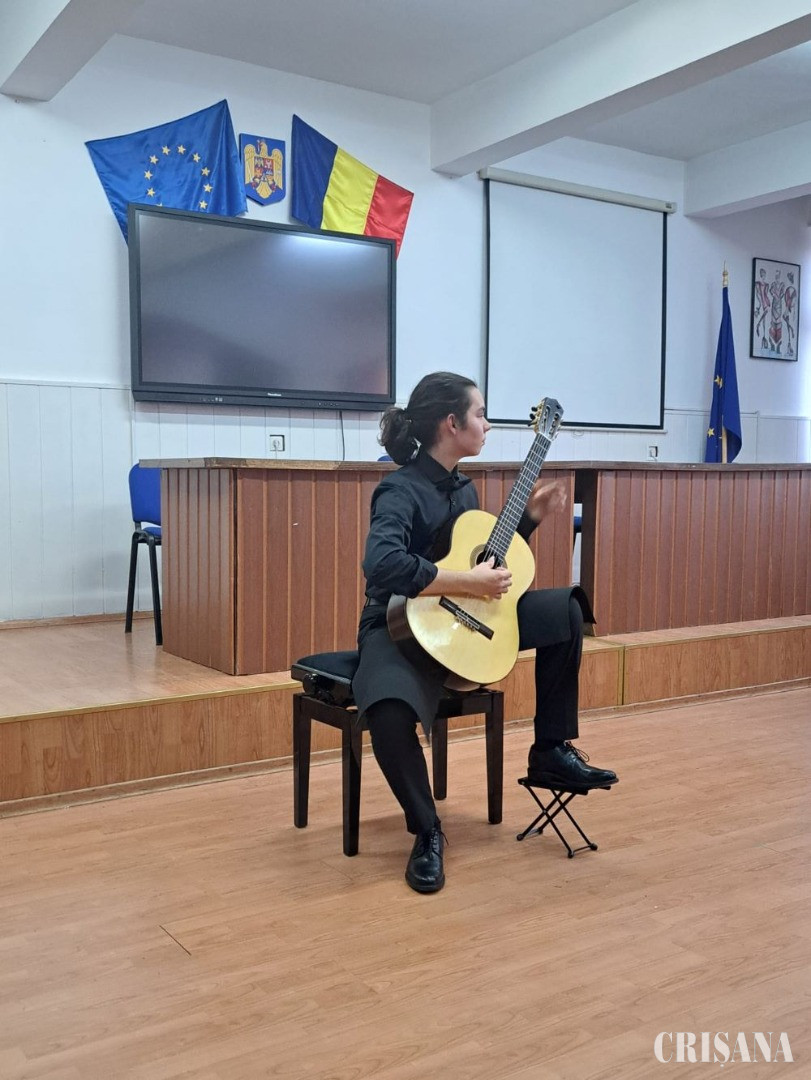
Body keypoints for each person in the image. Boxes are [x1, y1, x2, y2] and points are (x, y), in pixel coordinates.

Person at [353, 372, 617, 894]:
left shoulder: (464, 488)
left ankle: (550, 749)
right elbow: (381, 564)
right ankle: (427, 830)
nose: (488, 424)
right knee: (387, 712)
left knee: (566, 608)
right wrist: (466, 582)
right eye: (480, 414)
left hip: (465, 617)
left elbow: (483, 559)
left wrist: (528, 520)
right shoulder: (399, 489)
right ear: (451, 424)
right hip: (397, 623)